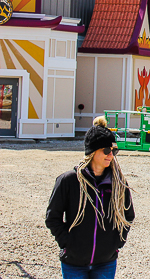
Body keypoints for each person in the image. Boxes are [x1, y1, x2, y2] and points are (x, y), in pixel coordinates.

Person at [45, 117, 135, 279]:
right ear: (92, 152)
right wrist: (67, 242)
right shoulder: (69, 181)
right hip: (74, 262)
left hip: (106, 262)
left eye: (113, 151)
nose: (111, 155)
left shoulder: (118, 183)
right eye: (106, 150)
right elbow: (52, 217)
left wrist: (116, 244)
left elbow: (128, 215)